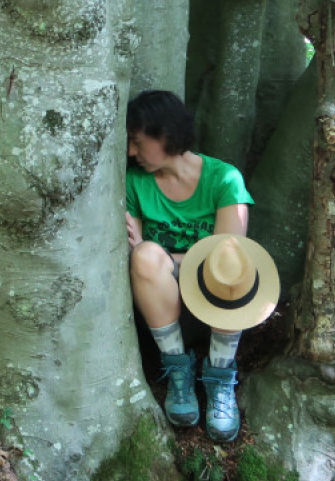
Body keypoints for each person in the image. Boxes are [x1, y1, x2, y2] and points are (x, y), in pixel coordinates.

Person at [124, 89, 274, 441]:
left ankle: (221, 378)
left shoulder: (223, 179)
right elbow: (141, 254)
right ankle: (179, 374)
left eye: (136, 141)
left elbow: (227, 256)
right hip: (162, 304)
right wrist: (174, 255)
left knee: (233, 271)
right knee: (145, 257)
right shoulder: (135, 181)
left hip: (218, 299)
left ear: (165, 134)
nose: (130, 152)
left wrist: (167, 256)